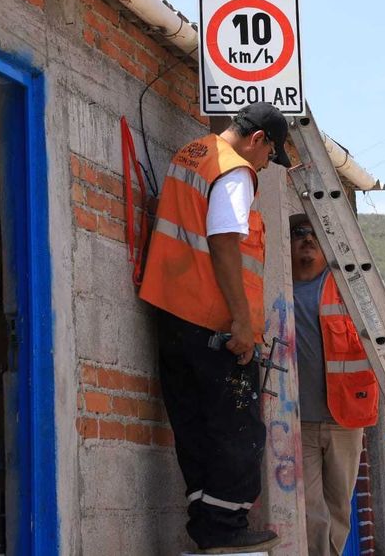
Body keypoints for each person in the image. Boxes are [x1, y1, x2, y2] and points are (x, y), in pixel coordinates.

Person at [139, 102, 291, 553]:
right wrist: (242, 322)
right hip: (212, 321)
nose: (266, 164)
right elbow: (224, 241)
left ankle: (207, 525)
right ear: (258, 139)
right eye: (270, 155)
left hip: (171, 311)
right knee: (236, 426)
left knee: (194, 426)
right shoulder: (235, 171)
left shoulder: (192, 153)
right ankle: (225, 528)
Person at [289, 214, 379, 556]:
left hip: (346, 419)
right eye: (299, 233)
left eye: (314, 233)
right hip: (300, 422)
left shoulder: (347, 287)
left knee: (339, 510)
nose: (308, 239)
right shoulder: (275, 287)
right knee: (312, 513)